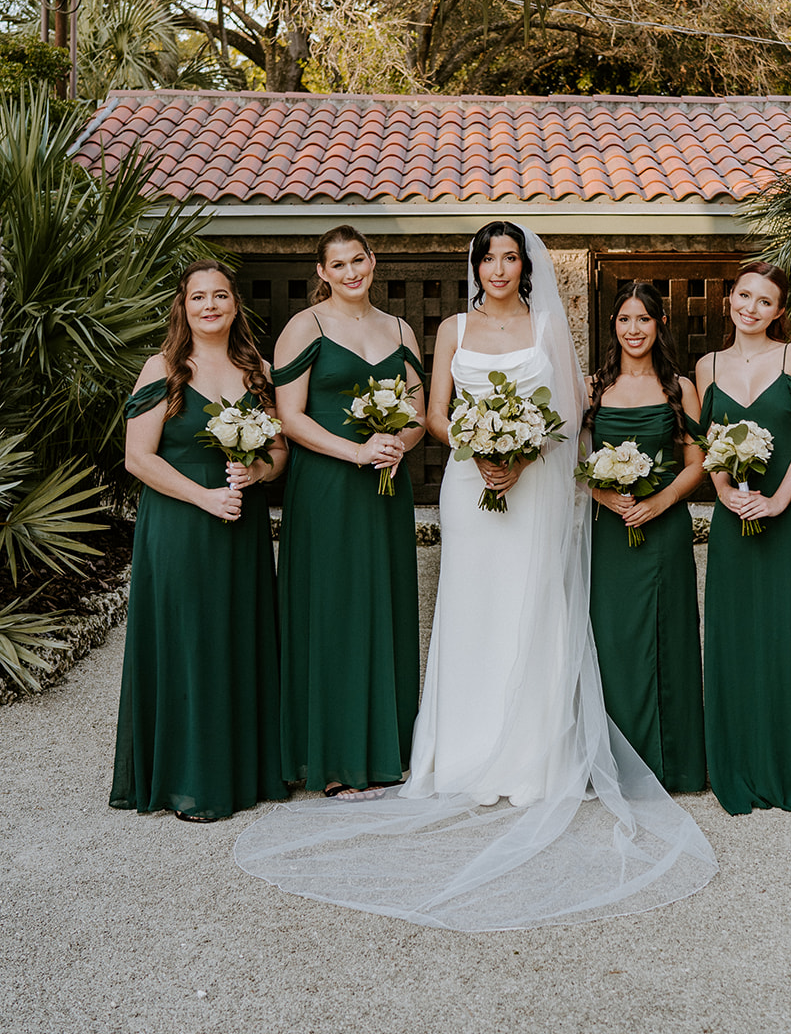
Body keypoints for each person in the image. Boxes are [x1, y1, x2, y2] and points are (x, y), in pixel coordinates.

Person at [235, 223, 718, 931]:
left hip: (532, 486)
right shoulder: (451, 328)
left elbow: (570, 414)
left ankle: (531, 761)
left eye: (509, 256)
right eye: (487, 256)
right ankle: (458, 756)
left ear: (524, 266)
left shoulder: (548, 323)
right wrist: (482, 444)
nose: (498, 267)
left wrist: (521, 455)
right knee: (472, 610)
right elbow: (432, 414)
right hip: (470, 482)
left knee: (531, 605)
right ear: (475, 265)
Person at [110, 261, 288, 822]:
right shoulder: (161, 369)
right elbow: (138, 458)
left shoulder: (259, 369)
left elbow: (279, 453)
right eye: (197, 298)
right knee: (187, 640)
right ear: (183, 308)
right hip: (181, 524)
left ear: (235, 304)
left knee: (237, 635)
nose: (209, 306)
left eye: (219, 296)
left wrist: (256, 474)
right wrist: (204, 496)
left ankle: (243, 772)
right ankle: (187, 780)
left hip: (241, 525)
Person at [272, 225, 425, 800]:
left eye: (357, 260)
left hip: (386, 487)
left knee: (382, 604)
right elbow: (291, 416)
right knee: (332, 610)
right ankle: (333, 759)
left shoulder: (400, 328)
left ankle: (387, 750)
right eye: (337, 265)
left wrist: (396, 445)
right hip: (328, 488)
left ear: (373, 260)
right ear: (322, 273)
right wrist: (356, 450)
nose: (350, 273)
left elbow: (414, 410)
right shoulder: (304, 327)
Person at [696, 261, 791, 815]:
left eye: (763, 301)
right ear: (728, 299)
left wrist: (779, 501)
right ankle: (739, 761)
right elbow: (711, 439)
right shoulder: (706, 365)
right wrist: (724, 489)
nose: (749, 308)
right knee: (736, 637)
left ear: (779, 311)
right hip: (734, 519)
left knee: (788, 633)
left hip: (789, 517)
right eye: (742, 296)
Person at [586, 282, 706, 792]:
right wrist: (603, 495)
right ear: (613, 326)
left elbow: (697, 464)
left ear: (659, 326)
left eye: (644, 320)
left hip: (664, 529)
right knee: (613, 638)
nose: (634, 330)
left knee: (667, 637)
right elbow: (575, 463)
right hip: (611, 533)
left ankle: (672, 764)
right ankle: (615, 764)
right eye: (624, 320)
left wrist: (659, 503)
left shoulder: (680, 387)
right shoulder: (593, 388)